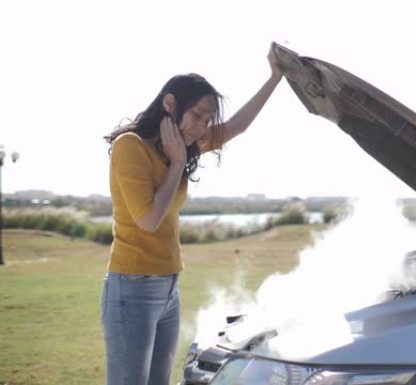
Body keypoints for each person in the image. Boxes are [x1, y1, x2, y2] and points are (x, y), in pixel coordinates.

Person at [100, 45, 282, 385]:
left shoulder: (181, 144)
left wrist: (275, 78)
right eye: (197, 115)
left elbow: (236, 126)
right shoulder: (131, 146)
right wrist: (178, 162)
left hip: (169, 287)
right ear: (170, 104)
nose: (202, 127)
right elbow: (149, 219)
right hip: (132, 289)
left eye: (207, 119)